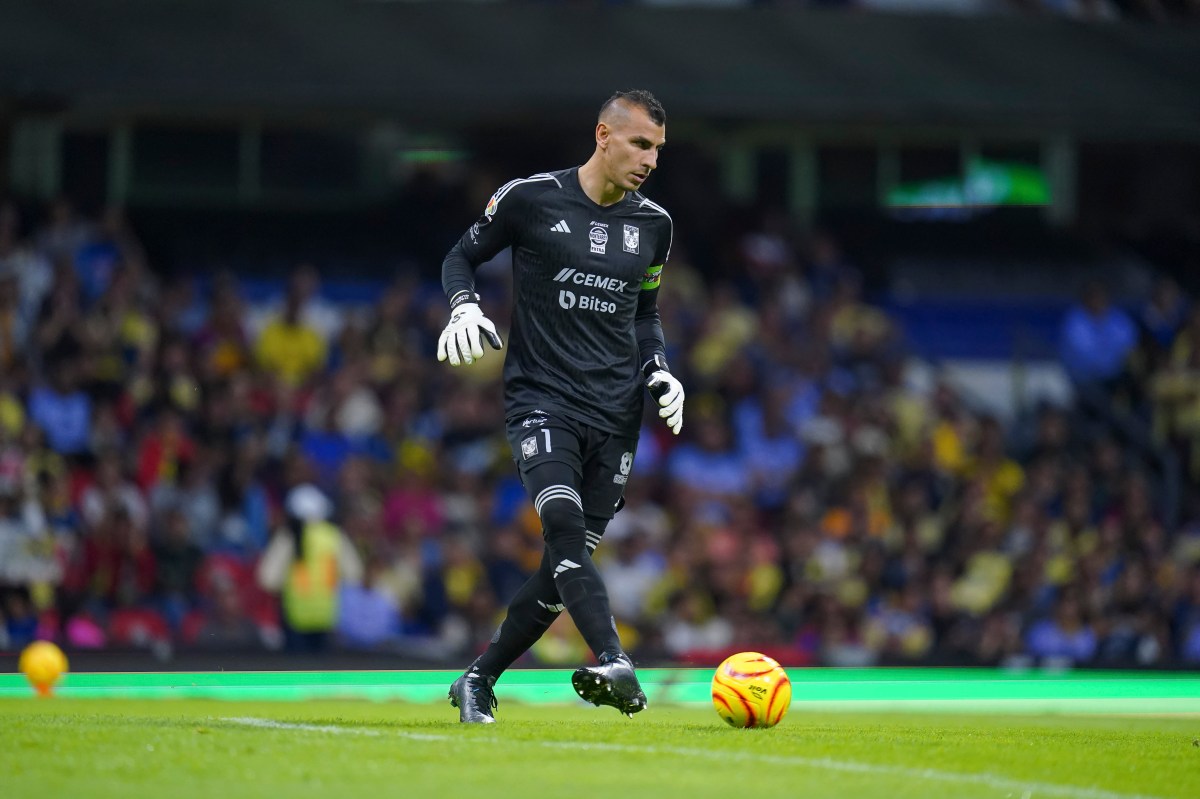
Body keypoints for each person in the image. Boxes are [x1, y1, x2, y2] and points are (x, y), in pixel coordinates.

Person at [436, 90, 684, 723]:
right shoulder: (530, 198)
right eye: (640, 144)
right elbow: (461, 255)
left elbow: (645, 315)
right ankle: (614, 658)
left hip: (617, 416)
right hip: (542, 402)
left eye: (657, 149)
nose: (651, 160)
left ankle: (478, 680)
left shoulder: (654, 226)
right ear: (603, 135)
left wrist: (659, 369)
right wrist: (465, 303)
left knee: (560, 570)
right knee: (565, 534)